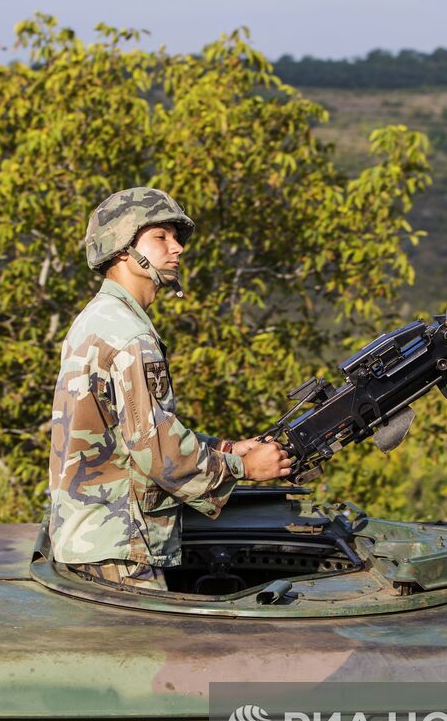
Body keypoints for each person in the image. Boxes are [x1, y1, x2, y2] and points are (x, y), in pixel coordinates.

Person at [46, 187, 292, 591]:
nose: (176, 248)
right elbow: (158, 452)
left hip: (93, 537)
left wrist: (224, 448)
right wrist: (245, 468)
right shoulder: (129, 336)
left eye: (175, 238)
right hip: (122, 545)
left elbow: (134, 435)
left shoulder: (97, 320)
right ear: (123, 248)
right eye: (160, 237)